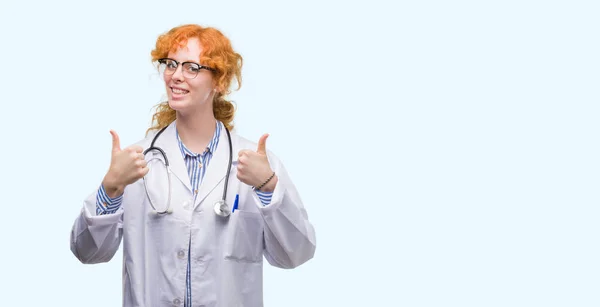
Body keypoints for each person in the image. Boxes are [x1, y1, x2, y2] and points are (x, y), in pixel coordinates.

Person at [69, 24, 316, 307]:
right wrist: (110, 189)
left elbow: (296, 254)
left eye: (191, 67)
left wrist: (268, 186)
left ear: (219, 81)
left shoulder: (256, 162)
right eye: (170, 64)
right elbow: (87, 252)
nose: (175, 75)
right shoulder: (137, 162)